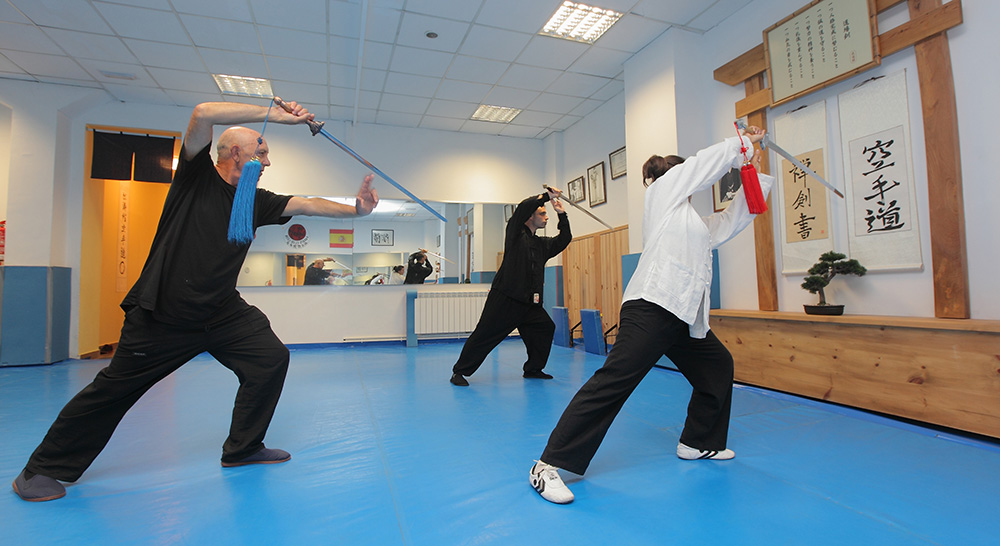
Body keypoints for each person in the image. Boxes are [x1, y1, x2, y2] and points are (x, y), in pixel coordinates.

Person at [12, 100, 379, 502]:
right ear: (234, 154)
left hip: (221, 311)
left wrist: (357, 211)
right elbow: (203, 113)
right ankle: (41, 470)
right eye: (262, 152)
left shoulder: (256, 200)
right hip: (163, 314)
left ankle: (243, 448)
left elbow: (308, 204)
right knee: (113, 392)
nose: (268, 162)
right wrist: (275, 118)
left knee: (270, 359)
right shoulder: (195, 179)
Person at [529, 127, 773, 504]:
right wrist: (739, 144)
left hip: (683, 316)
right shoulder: (661, 194)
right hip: (652, 306)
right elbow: (699, 167)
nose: (692, 182)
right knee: (616, 380)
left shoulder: (693, 222)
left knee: (718, 366)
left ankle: (698, 442)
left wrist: (751, 169)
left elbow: (732, 220)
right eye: (688, 177)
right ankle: (548, 465)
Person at [450, 188, 571, 386]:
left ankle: (533, 369)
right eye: (542, 213)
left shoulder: (542, 244)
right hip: (505, 298)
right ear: (529, 218)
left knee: (544, 328)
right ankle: (459, 372)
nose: (546, 217)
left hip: (530, 303)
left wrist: (562, 214)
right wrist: (546, 197)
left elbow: (564, 239)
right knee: (485, 335)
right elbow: (523, 207)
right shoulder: (515, 234)